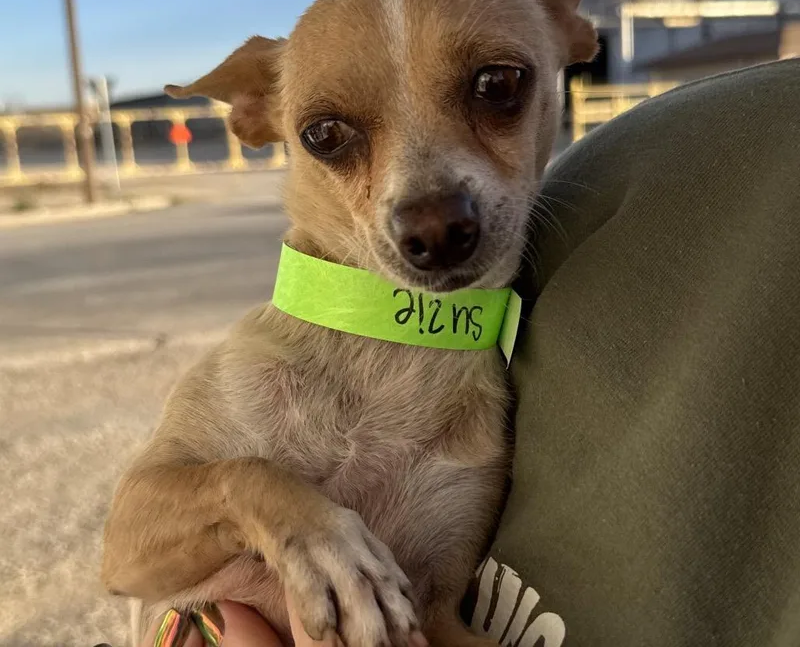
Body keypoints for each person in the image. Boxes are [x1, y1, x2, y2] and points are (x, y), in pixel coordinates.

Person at [135, 58, 800, 647]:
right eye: (331, 135)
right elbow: (129, 557)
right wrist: (250, 503)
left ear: (564, 32)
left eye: (494, 89)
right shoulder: (662, 155)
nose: (430, 214)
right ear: (255, 111)